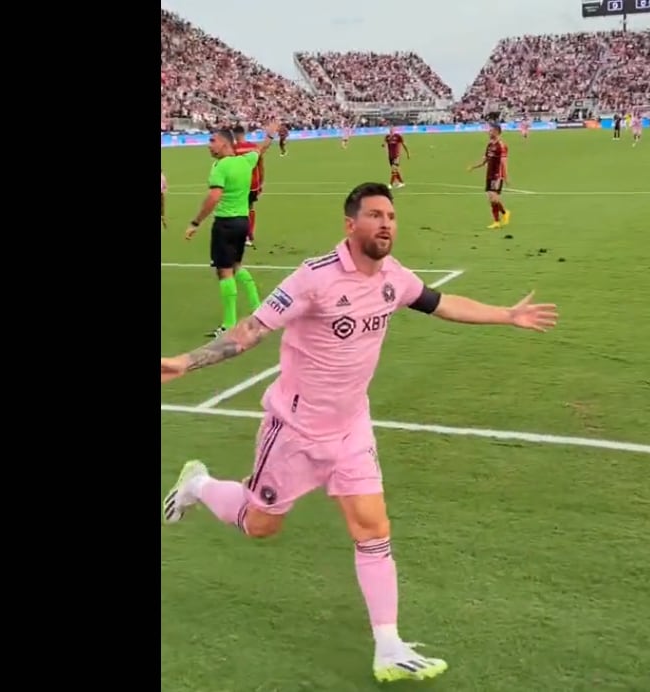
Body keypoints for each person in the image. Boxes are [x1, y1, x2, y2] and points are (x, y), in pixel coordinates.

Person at [161, 181, 558, 683]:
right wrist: (186, 362)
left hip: (352, 428)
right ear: (351, 225)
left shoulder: (393, 276)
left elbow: (442, 302)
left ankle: (388, 646)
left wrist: (507, 315)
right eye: (374, 215)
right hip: (295, 431)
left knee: (372, 528)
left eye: (390, 215)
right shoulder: (313, 278)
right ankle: (197, 484)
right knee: (262, 525)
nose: (385, 223)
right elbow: (252, 329)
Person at [185, 123, 276, 337]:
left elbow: (214, 197)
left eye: (212, 141)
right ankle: (257, 306)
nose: (209, 145)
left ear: (225, 144)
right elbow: (261, 149)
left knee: (224, 272)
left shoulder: (221, 167)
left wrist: (196, 222)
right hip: (242, 222)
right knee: (236, 266)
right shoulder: (245, 161)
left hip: (225, 224)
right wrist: (270, 135)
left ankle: (228, 325)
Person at [467, 123, 510, 229]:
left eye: (491, 130)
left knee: (494, 198)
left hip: (497, 174)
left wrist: (505, 177)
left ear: (497, 132)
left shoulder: (502, 146)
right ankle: (501, 217)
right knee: (491, 199)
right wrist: (474, 166)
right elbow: (485, 160)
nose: (489, 132)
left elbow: (504, 162)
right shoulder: (490, 145)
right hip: (489, 174)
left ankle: (500, 218)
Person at [231, 125, 267, 248]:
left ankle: (241, 235)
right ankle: (249, 234)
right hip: (253, 183)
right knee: (250, 207)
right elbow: (261, 165)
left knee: (238, 209)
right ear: (244, 133)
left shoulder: (233, 149)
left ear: (234, 135)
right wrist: (261, 182)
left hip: (239, 183)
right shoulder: (254, 147)